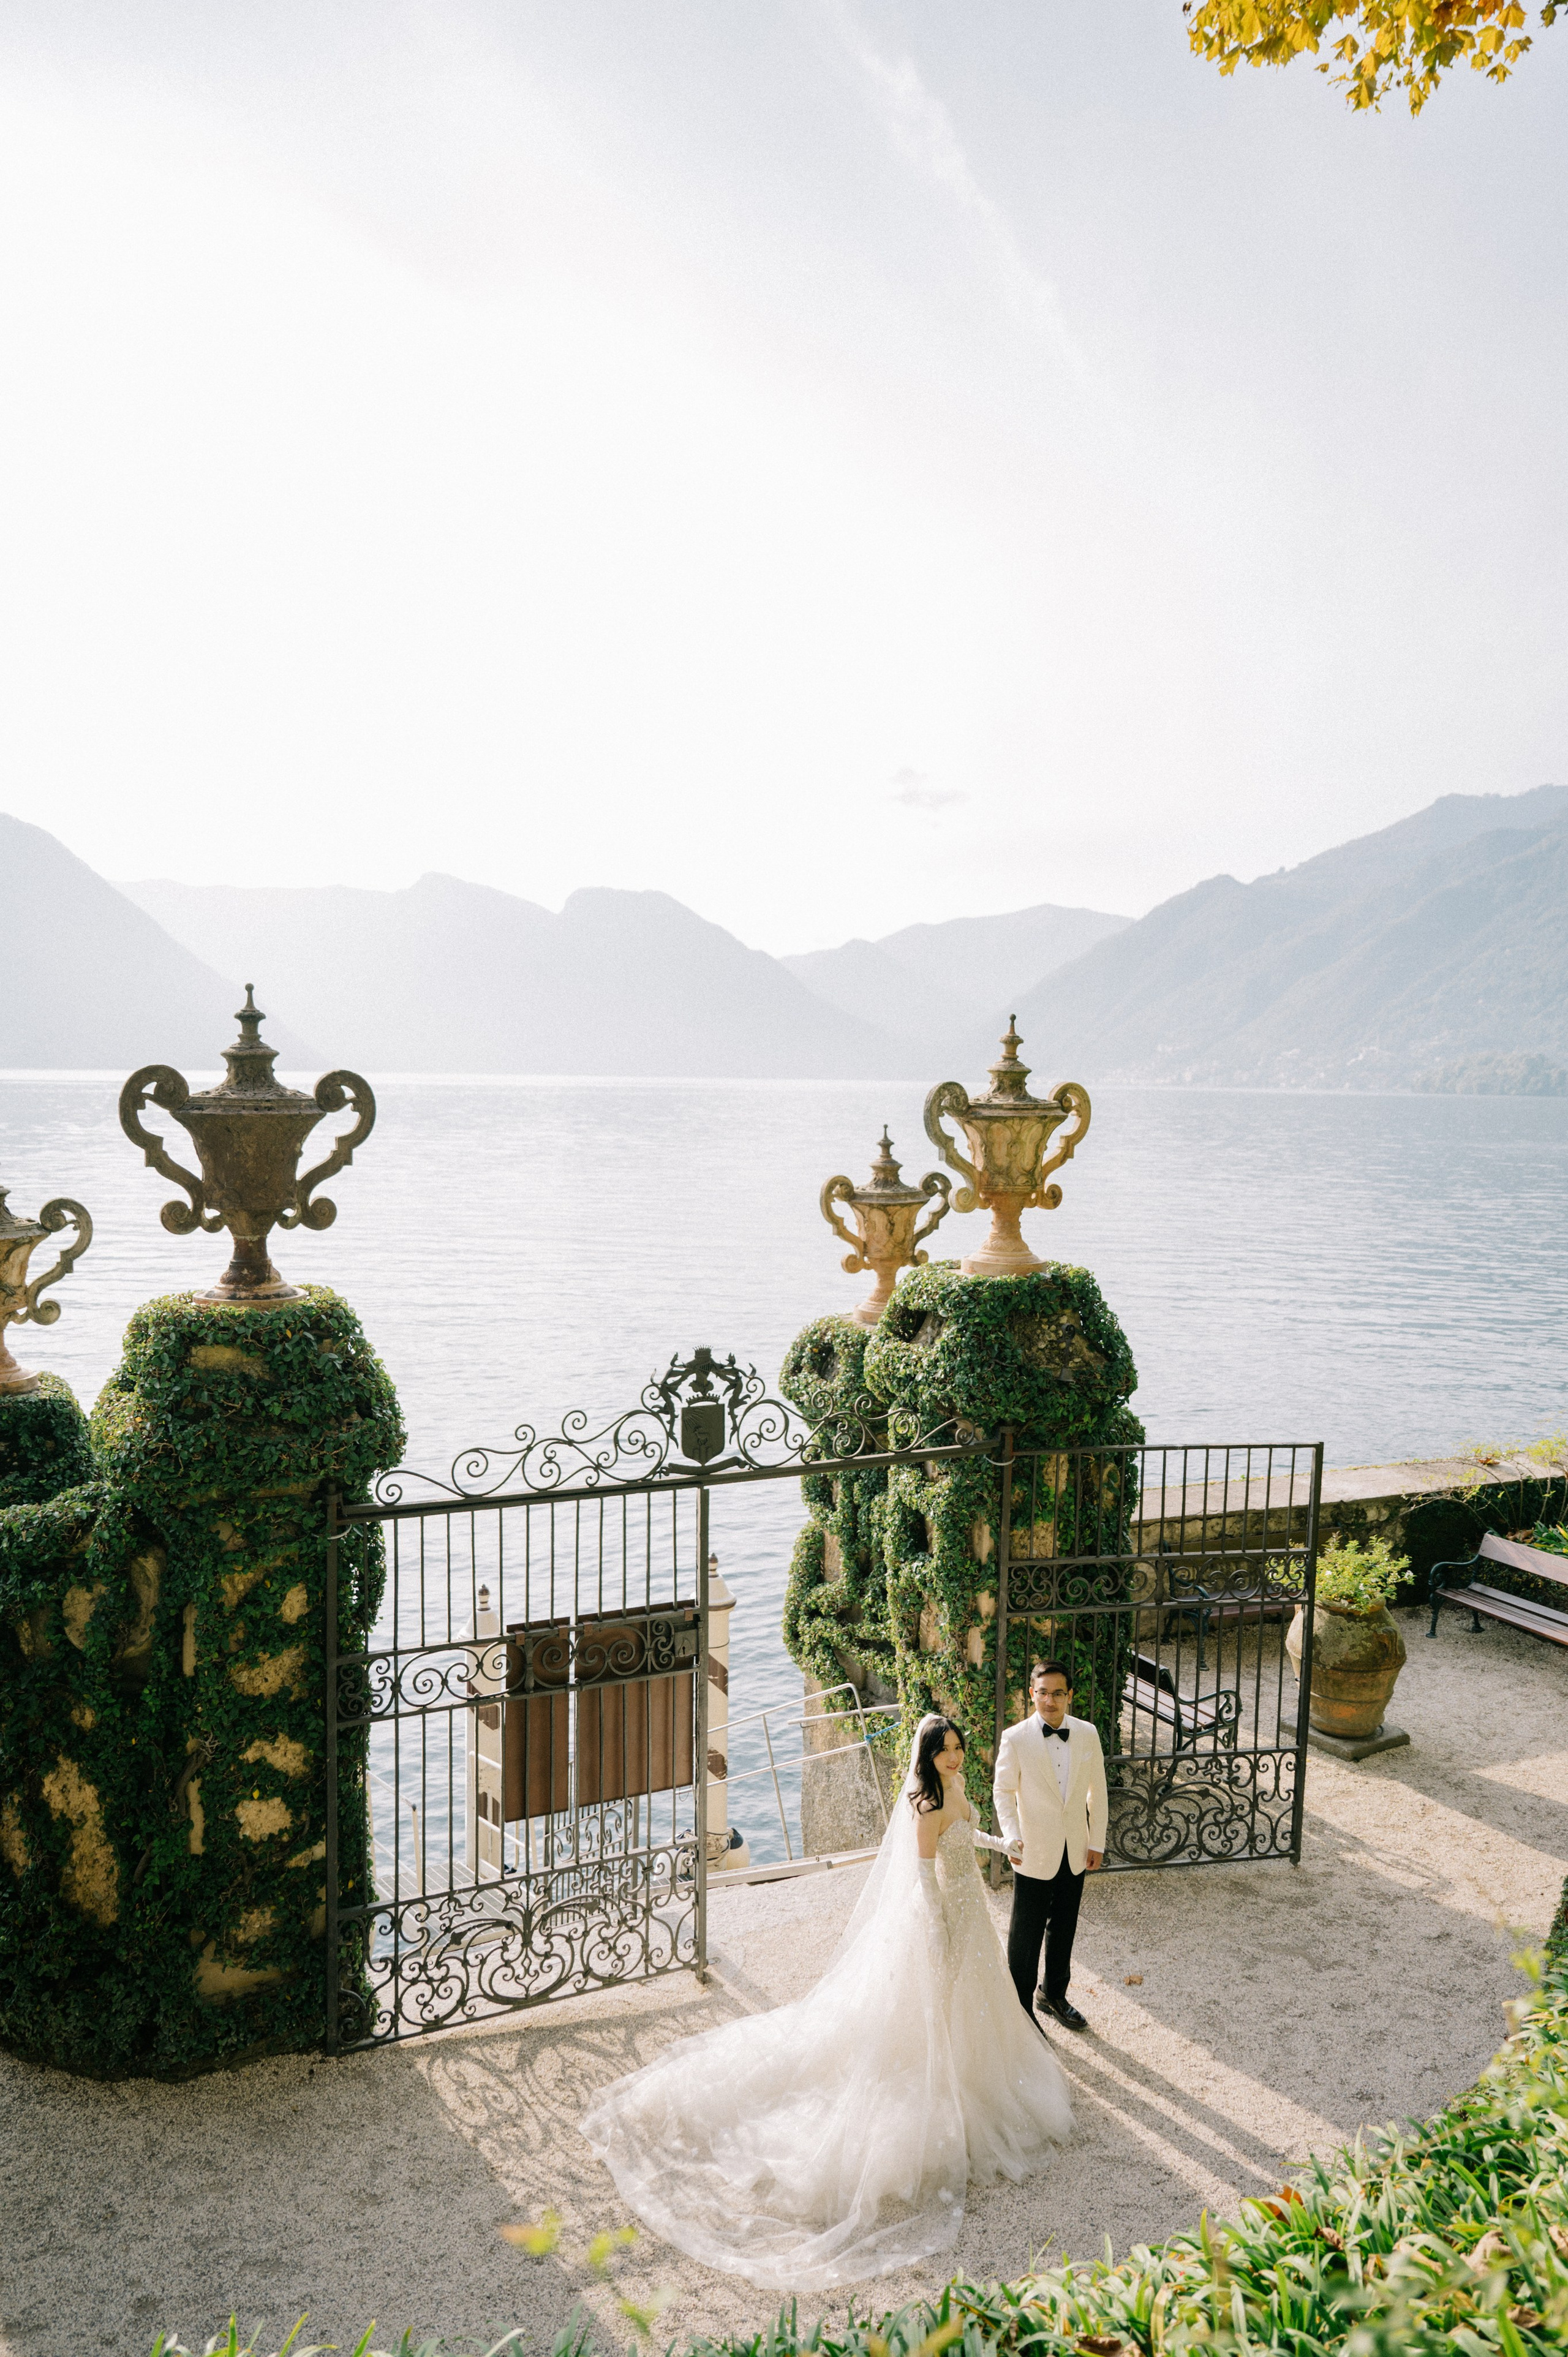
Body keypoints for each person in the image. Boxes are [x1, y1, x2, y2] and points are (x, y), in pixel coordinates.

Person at [581, 1713, 1072, 2293]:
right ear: (928, 1757)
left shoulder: (958, 1792)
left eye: (960, 1750)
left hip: (971, 1917)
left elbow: (967, 1833)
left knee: (974, 2005)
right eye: (947, 1753)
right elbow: (921, 1874)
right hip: (942, 1915)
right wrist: (938, 1928)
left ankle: (977, 2076)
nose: (956, 1759)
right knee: (932, 2009)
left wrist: (1002, 1842)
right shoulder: (921, 1804)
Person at [992, 1659, 1107, 2034]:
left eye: (1058, 1693)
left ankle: (1053, 1995)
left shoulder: (1088, 1733)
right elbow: (1003, 1792)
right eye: (1043, 1693)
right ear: (1032, 1694)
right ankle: (1020, 2010)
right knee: (1025, 1934)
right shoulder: (1016, 1738)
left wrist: (1096, 1841)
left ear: (1069, 1696)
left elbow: (1098, 1793)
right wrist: (1011, 1836)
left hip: (1074, 1849)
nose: (1050, 1701)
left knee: (1065, 1927)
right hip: (1032, 1851)